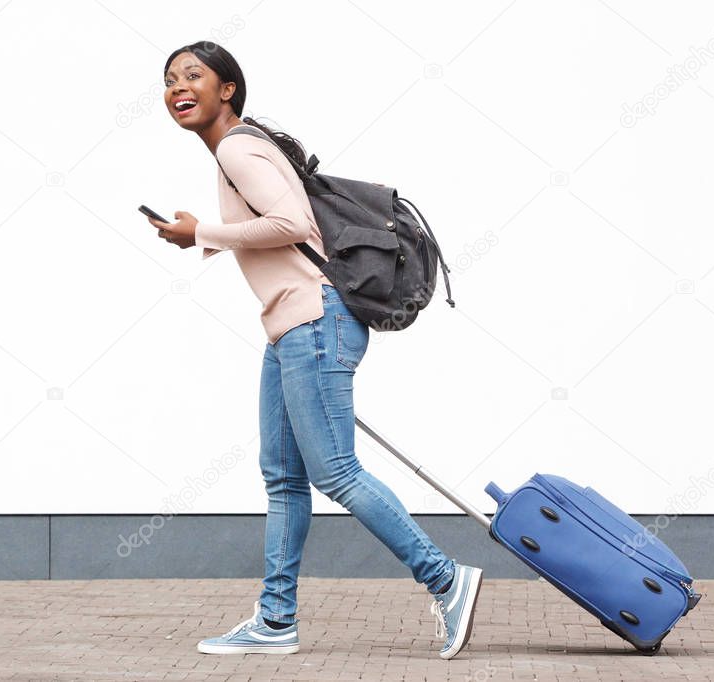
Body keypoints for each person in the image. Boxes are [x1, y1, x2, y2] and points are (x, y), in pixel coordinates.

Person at [147, 40, 483, 660]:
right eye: (169, 80)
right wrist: (203, 233)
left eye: (194, 75)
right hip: (290, 327)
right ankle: (276, 621)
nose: (178, 87)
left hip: (314, 322)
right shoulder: (241, 148)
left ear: (228, 89)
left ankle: (446, 578)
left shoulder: (238, 146)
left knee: (335, 472)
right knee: (283, 479)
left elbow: (292, 225)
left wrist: (204, 233)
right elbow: (284, 221)